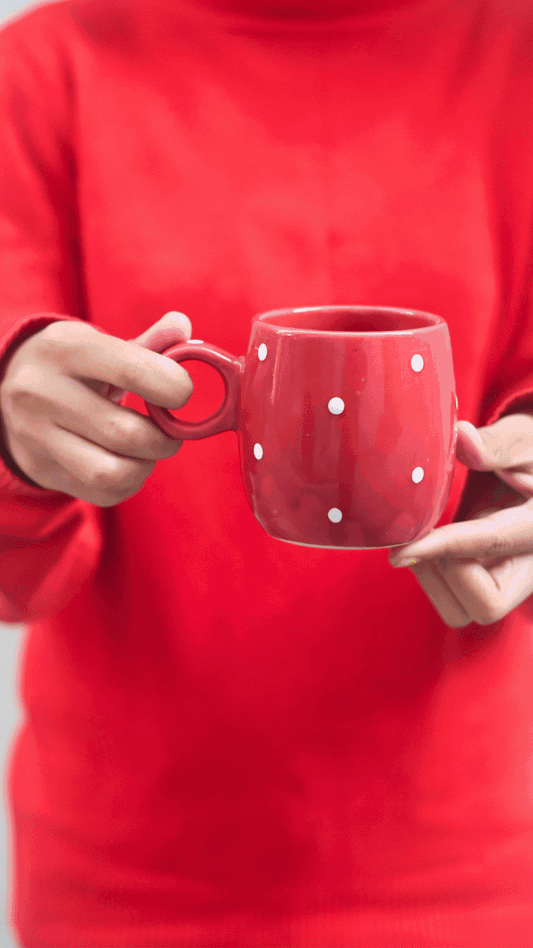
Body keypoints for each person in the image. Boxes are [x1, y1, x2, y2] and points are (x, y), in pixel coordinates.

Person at [0, 0, 533, 945]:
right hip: (121, 878)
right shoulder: (42, 68)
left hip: (474, 872)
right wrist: (17, 439)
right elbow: (17, 577)